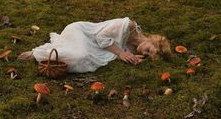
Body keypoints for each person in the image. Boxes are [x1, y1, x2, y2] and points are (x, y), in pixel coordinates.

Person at [18, 17, 171, 73]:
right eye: (149, 50)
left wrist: (130, 57)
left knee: (84, 61)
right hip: (83, 32)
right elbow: (101, 37)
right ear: (152, 39)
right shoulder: (128, 26)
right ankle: (38, 54)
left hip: (95, 46)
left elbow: (116, 51)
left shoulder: (134, 48)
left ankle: (58, 51)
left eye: (148, 56)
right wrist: (120, 53)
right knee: (80, 56)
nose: (145, 53)